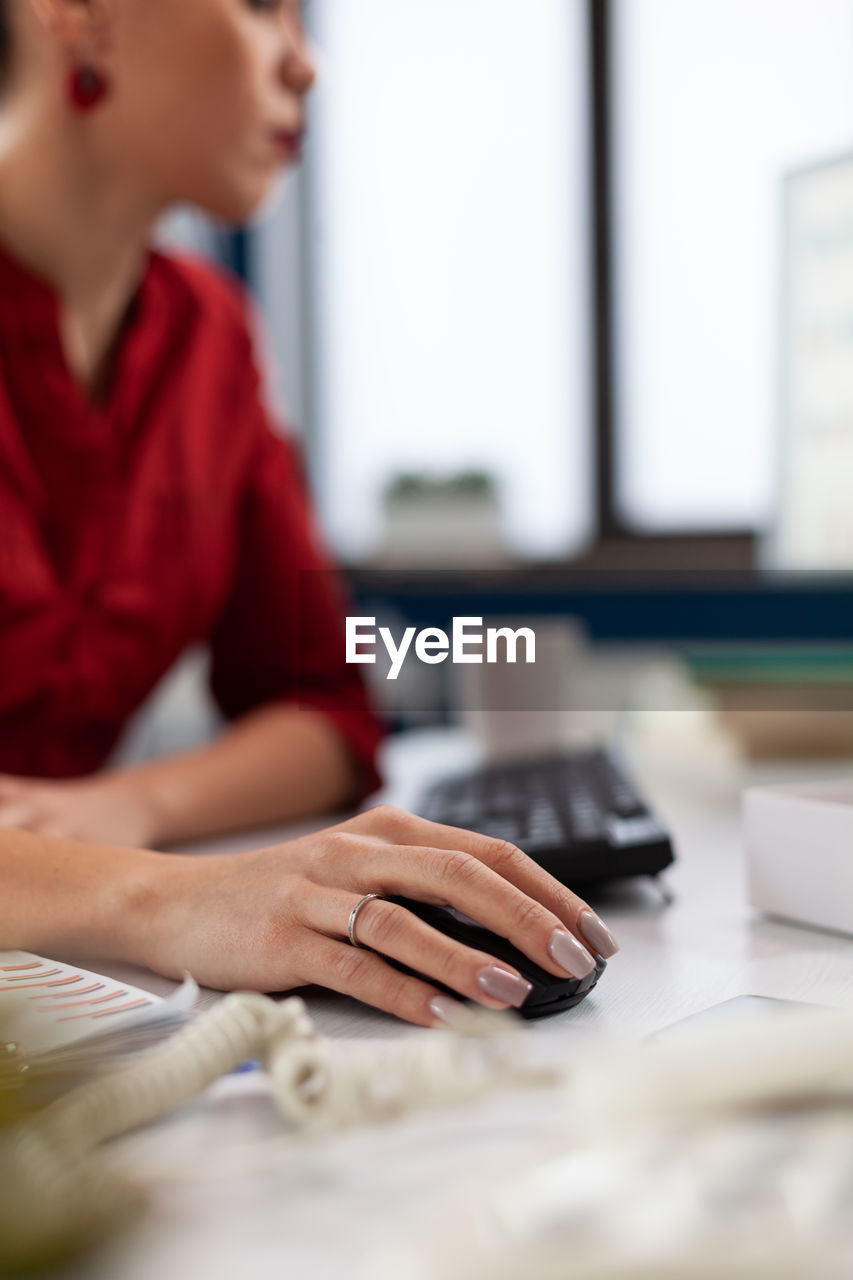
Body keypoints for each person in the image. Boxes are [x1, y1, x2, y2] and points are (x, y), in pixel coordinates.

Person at [0, 0, 619, 1026]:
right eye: (257, 7)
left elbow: (325, 710)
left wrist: (129, 806)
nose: (306, 64)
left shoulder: (209, 340)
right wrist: (163, 894)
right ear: (81, 16)